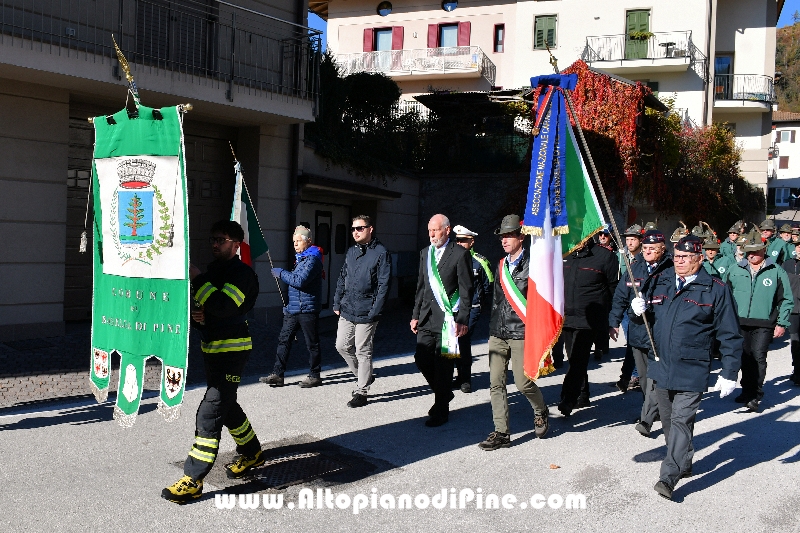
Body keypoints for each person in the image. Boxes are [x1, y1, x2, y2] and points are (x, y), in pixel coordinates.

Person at [162, 221, 264, 503]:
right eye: (212, 239)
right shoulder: (213, 272)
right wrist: (199, 316)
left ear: (236, 243)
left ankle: (193, 479)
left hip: (233, 352)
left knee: (209, 412)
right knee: (227, 405)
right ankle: (252, 452)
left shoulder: (243, 275)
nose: (214, 244)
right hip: (212, 350)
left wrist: (197, 279)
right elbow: (206, 309)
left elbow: (223, 306)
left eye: (220, 239)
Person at [643, 235, 742, 500]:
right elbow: (649, 317)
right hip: (662, 367)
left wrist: (730, 372)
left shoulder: (715, 289)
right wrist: (636, 310)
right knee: (667, 422)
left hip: (692, 369)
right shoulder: (663, 281)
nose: (679, 261)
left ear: (699, 259)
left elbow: (730, 333)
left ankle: (669, 476)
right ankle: (683, 462)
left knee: (681, 422)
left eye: (686, 257)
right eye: (676, 256)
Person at [478, 215, 549, 450]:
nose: (504, 240)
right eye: (502, 236)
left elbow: (541, 301)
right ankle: (502, 432)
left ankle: (540, 410)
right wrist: (492, 329)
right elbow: (497, 300)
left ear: (521, 237)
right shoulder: (500, 265)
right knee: (495, 383)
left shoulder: (535, 264)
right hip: (498, 332)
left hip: (521, 331)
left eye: (508, 235)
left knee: (522, 383)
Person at [411, 214, 474, 427]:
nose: (431, 235)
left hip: (449, 319)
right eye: (429, 231)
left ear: (447, 230)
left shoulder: (460, 254)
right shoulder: (424, 254)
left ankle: (441, 411)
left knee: (444, 365)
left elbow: (466, 290)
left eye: (436, 230)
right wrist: (415, 315)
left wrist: (462, 319)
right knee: (421, 358)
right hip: (427, 317)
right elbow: (421, 287)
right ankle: (444, 393)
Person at [609, 230, 672, 438]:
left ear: (662, 249)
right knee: (645, 379)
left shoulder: (671, 270)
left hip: (660, 334)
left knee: (655, 378)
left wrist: (652, 308)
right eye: (644, 248)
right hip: (637, 331)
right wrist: (614, 321)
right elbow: (620, 294)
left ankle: (646, 419)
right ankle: (657, 410)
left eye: (652, 249)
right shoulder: (634, 267)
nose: (647, 252)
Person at [725, 228, 793, 412]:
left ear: (764, 250)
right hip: (739, 322)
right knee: (743, 357)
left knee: (757, 356)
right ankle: (746, 391)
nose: (752, 254)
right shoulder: (734, 269)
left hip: (763, 323)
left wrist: (781, 323)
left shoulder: (776, 271)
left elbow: (786, 299)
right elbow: (724, 296)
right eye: (749, 251)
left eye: (756, 250)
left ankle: (755, 394)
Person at [333, 215, 392, 408]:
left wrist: (376, 310)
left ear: (370, 229)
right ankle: (364, 376)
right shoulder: (351, 252)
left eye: (360, 228)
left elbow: (384, 284)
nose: (355, 232)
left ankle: (361, 391)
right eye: (353, 229)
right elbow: (343, 277)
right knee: (341, 346)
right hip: (348, 308)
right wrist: (337, 302)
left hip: (367, 310)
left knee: (362, 350)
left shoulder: (381, 253)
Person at [558, 238, 619, 417]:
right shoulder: (565, 254)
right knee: (575, 359)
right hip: (567, 317)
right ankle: (582, 394)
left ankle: (567, 399)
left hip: (590, 320)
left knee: (578, 357)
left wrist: (613, 319)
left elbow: (614, 289)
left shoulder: (604, 256)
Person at [260, 225, 324, 388]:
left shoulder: (313, 259)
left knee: (312, 343)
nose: (295, 244)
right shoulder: (301, 259)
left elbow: (299, 281)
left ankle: (314, 375)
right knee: (284, 339)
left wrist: (281, 273)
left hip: (307, 309)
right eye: (294, 241)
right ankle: (277, 374)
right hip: (293, 309)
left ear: (308, 241)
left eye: (298, 241)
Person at [451, 224, 493, 393]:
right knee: (452, 343)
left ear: (472, 242)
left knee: (463, 340)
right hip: (453, 308)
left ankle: (465, 379)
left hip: (472, 308)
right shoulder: (451, 258)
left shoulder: (481, 261)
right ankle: (457, 376)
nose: (460, 243)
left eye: (463, 240)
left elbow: (488, 285)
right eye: (458, 240)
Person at [614, 224, 645, 391]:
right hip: (625, 305)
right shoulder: (622, 256)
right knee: (631, 342)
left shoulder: (643, 259)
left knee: (635, 342)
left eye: (633, 239)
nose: (630, 242)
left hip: (638, 305)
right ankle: (631, 375)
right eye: (628, 239)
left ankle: (632, 375)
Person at [781, 239, 800, 385]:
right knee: (795, 341)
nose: (799, 249)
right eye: (798, 246)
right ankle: (797, 370)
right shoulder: (787, 263)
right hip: (793, 309)